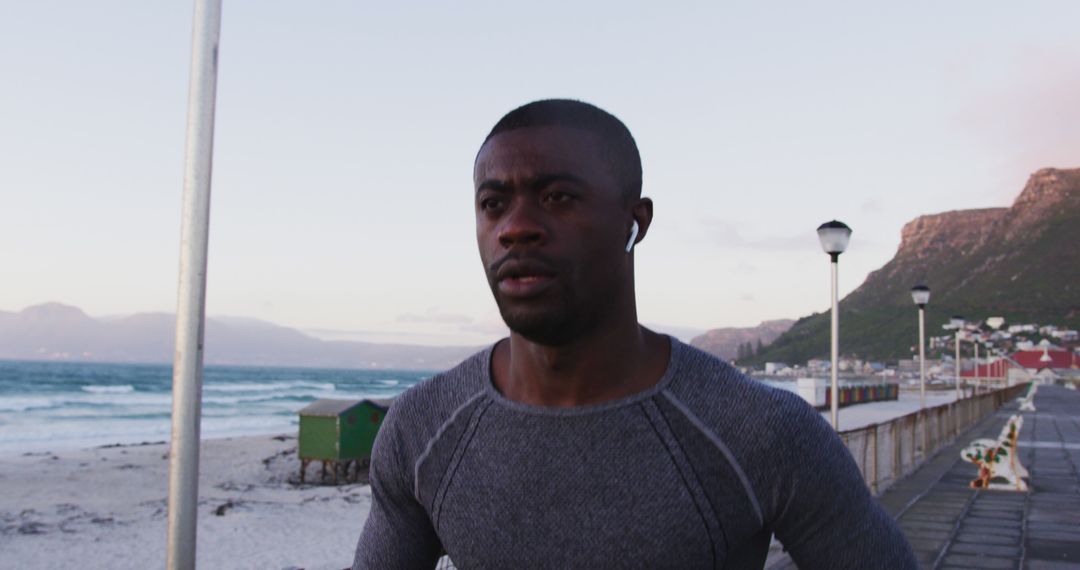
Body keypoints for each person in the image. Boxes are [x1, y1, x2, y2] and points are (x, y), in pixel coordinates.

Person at [352, 99, 917, 569]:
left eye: (557, 197)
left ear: (635, 221)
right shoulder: (420, 430)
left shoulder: (760, 431)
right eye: (493, 204)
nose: (515, 226)